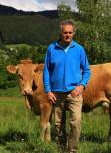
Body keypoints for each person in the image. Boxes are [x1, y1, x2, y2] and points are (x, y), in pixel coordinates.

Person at [43, 20, 91, 152]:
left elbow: (87, 70)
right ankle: (61, 148)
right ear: (61, 33)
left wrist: (81, 86)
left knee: (75, 123)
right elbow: (46, 70)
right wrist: (48, 91)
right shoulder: (51, 49)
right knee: (59, 125)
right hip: (56, 94)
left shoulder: (79, 49)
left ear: (73, 33)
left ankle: (72, 150)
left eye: (70, 32)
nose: (67, 35)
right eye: (65, 33)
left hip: (74, 93)